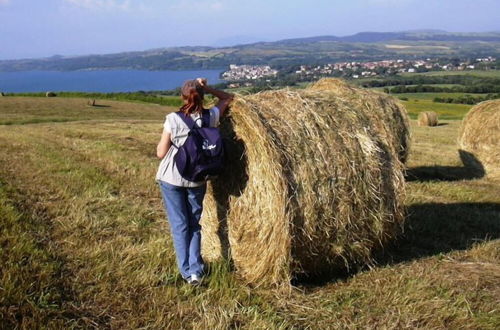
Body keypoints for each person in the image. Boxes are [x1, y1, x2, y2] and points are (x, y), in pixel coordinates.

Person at [156, 78, 233, 285]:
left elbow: (161, 153)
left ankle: (186, 271)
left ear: (182, 96)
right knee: (194, 224)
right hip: (197, 179)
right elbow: (228, 98)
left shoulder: (173, 119)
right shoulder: (211, 116)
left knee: (180, 225)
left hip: (172, 178)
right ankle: (196, 271)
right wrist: (206, 87)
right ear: (203, 96)